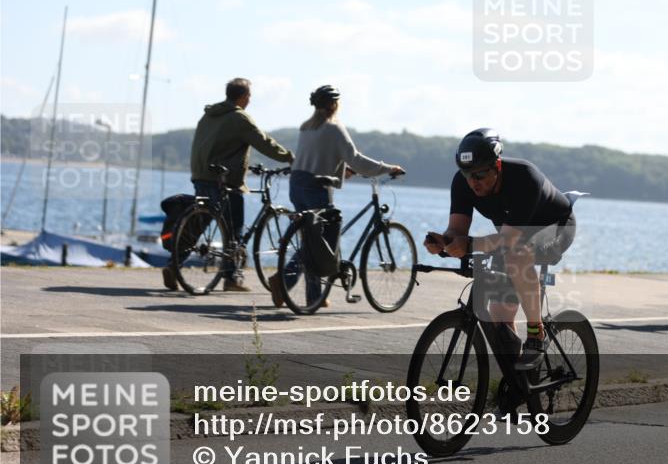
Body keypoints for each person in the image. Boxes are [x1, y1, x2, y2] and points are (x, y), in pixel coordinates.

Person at [424, 128, 576, 371]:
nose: (473, 182)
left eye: (480, 174)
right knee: (500, 316)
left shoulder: (524, 177)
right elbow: (457, 230)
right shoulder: (463, 183)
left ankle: (536, 334)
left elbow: (509, 240)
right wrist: (444, 241)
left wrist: (469, 244)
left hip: (554, 228)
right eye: (467, 174)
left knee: (517, 255)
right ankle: (517, 382)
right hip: (512, 235)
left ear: (497, 165)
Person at [272, 85, 405, 308]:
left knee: (312, 237)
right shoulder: (334, 128)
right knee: (320, 242)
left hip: (297, 184)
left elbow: (317, 157)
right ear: (335, 105)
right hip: (316, 187)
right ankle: (284, 281)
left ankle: (315, 296)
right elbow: (356, 159)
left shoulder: (306, 127)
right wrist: (387, 168)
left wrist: (342, 171)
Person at [164, 78, 295, 292]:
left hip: (201, 176)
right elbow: (263, 142)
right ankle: (232, 278)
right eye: (249, 96)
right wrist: (289, 157)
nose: (249, 100)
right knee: (234, 230)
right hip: (224, 180)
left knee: (201, 222)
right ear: (243, 97)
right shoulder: (239, 117)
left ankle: (173, 265)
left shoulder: (209, 115)